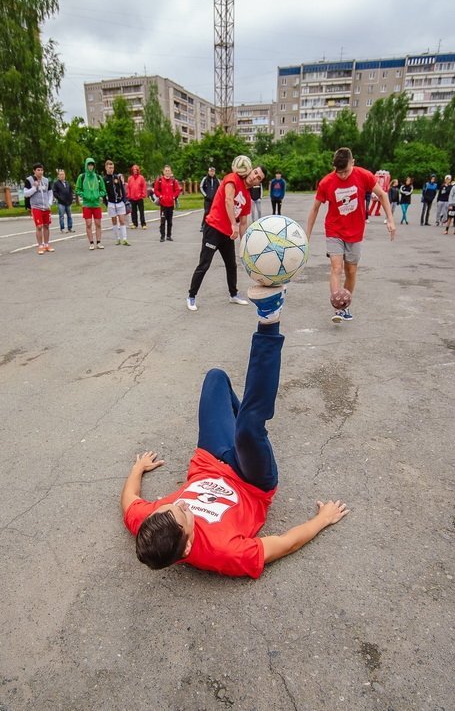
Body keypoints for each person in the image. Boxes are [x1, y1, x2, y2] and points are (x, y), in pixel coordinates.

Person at [121, 287, 349, 577]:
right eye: (183, 512)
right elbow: (286, 543)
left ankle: (243, 427)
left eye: (169, 506)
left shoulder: (147, 525)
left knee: (216, 378)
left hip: (209, 460)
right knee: (250, 429)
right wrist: (322, 520)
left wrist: (138, 469)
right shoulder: (225, 553)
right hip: (251, 482)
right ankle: (269, 317)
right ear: (187, 546)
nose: (178, 504)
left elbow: (129, 500)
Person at [306, 147, 396, 323]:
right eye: (338, 172)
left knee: (351, 271)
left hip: (355, 232)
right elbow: (315, 208)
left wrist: (390, 219)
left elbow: (383, 195)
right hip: (334, 231)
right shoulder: (326, 182)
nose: (342, 176)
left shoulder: (364, 175)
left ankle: (345, 304)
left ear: (353, 163)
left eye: (346, 171)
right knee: (336, 268)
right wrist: (306, 235)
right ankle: (337, 308)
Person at [187, 163, 266, 311]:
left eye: (259, 178)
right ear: (250, 170)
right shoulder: (232, 178)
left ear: (258, 183)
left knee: (231, 265)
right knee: (204, 264)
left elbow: (243, 223)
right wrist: (232, 225)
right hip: (214, 229)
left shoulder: (247, 199)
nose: (255, 176)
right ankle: (191, 296)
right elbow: (228, 200)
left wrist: (244, 245)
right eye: (255, 172)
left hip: (227, 234)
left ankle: (233, 294)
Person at [75, 157, 106, 250]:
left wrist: (98, 195)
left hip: (96, 204)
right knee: (88, 224)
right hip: (87, 204)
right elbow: (77, 189)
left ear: (94, 166)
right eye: (89, 164)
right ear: (86, 165)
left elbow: (103, 190)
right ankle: (91, 243)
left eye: (92, 165)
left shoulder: (98, 177)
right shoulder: (82, 177)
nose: (91, 166)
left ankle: (99, 242)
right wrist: (84, 195)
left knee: (98, 224)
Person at [24, 163, 54, 255]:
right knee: (39, 226)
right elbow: (26, 194)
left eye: (41, 170)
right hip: (36, 207)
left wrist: (49, 203)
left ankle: (46, 244)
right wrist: (34, 187)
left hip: (46, 207)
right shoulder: (29, 180)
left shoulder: (46, 180)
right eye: (38, 170)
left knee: (46, 226)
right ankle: (40, 246)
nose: (40, 172)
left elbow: (50, 192)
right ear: (34, 171)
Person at [103, 160, 131, 246]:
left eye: (112, 167)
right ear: (106, 168)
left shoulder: (117, 177)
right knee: (114, 221)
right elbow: (104, 192)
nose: (111, 169)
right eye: (109, 167)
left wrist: (124, 200)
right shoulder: (104, 179)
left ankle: (125, 239)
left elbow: (122, 189)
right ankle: (117, 238)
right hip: (111, 203)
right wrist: (106, 202)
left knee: (122, 220)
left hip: (119, 202)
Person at [154, 165, 181, 242]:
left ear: (171, 172)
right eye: (166, 171)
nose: (167, 172)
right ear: (163, 172)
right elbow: (156, 190)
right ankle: (162, 236)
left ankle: (169, 236)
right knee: (163, 221)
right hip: (163, 204)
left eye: (168, 171)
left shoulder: (173, 181)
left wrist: (173, 196)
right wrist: (160, 196)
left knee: (170, 221)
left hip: (171, 204)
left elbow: (177, 190)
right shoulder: (159, 180)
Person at [199, 167, 220, 231]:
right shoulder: (205, 179)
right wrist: (205, 196)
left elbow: (220, 189)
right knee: (207, 212)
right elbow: (201, 187)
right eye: (211, 171)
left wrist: (217, 197)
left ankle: (213, 226)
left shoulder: (217, 180)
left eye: (213, 171)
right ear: (208, 172)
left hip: (215, 200)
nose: (212, 173)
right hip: (207, 200)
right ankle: (203, 226)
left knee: (214, 213)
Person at [127, 164, 147, 229]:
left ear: (138, 170)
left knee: (141, 211)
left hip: (139, 197)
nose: (135, 171)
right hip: (132, 197)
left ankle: (143, 224)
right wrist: (129, 195)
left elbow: (144, 186)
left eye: (136, 170)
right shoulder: (130, 178)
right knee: (133, 212)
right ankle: (134, 223)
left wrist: (143, 194)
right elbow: (128, 188)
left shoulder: (141, 178)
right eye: (133, 170)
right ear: (132, 171)